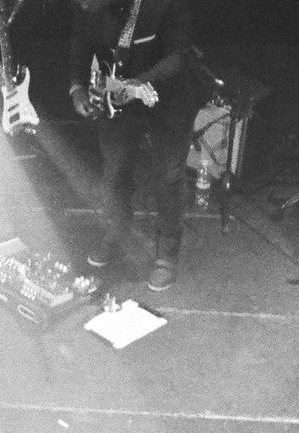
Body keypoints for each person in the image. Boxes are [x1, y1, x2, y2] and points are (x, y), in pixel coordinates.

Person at [68, 0, 201, 292]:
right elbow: (81, 41)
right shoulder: (87, 4)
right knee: (114, 172)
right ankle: (117, 231)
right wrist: (77, 86)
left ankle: (167, 254)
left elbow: (178, 56)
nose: (84, 6)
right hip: (117, 98)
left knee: (168, 177)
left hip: (168, 98)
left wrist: (138, 85)